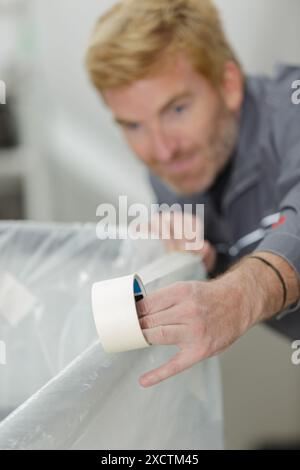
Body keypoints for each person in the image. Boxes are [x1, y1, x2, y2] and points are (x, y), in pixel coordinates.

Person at [85, 0, 300, 388]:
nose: (162, 151)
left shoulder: (291, 109)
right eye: (133, 125)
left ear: (229, 85)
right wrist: (176, 260)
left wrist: (243, 293)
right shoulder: (176, 172)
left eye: (177, 109)